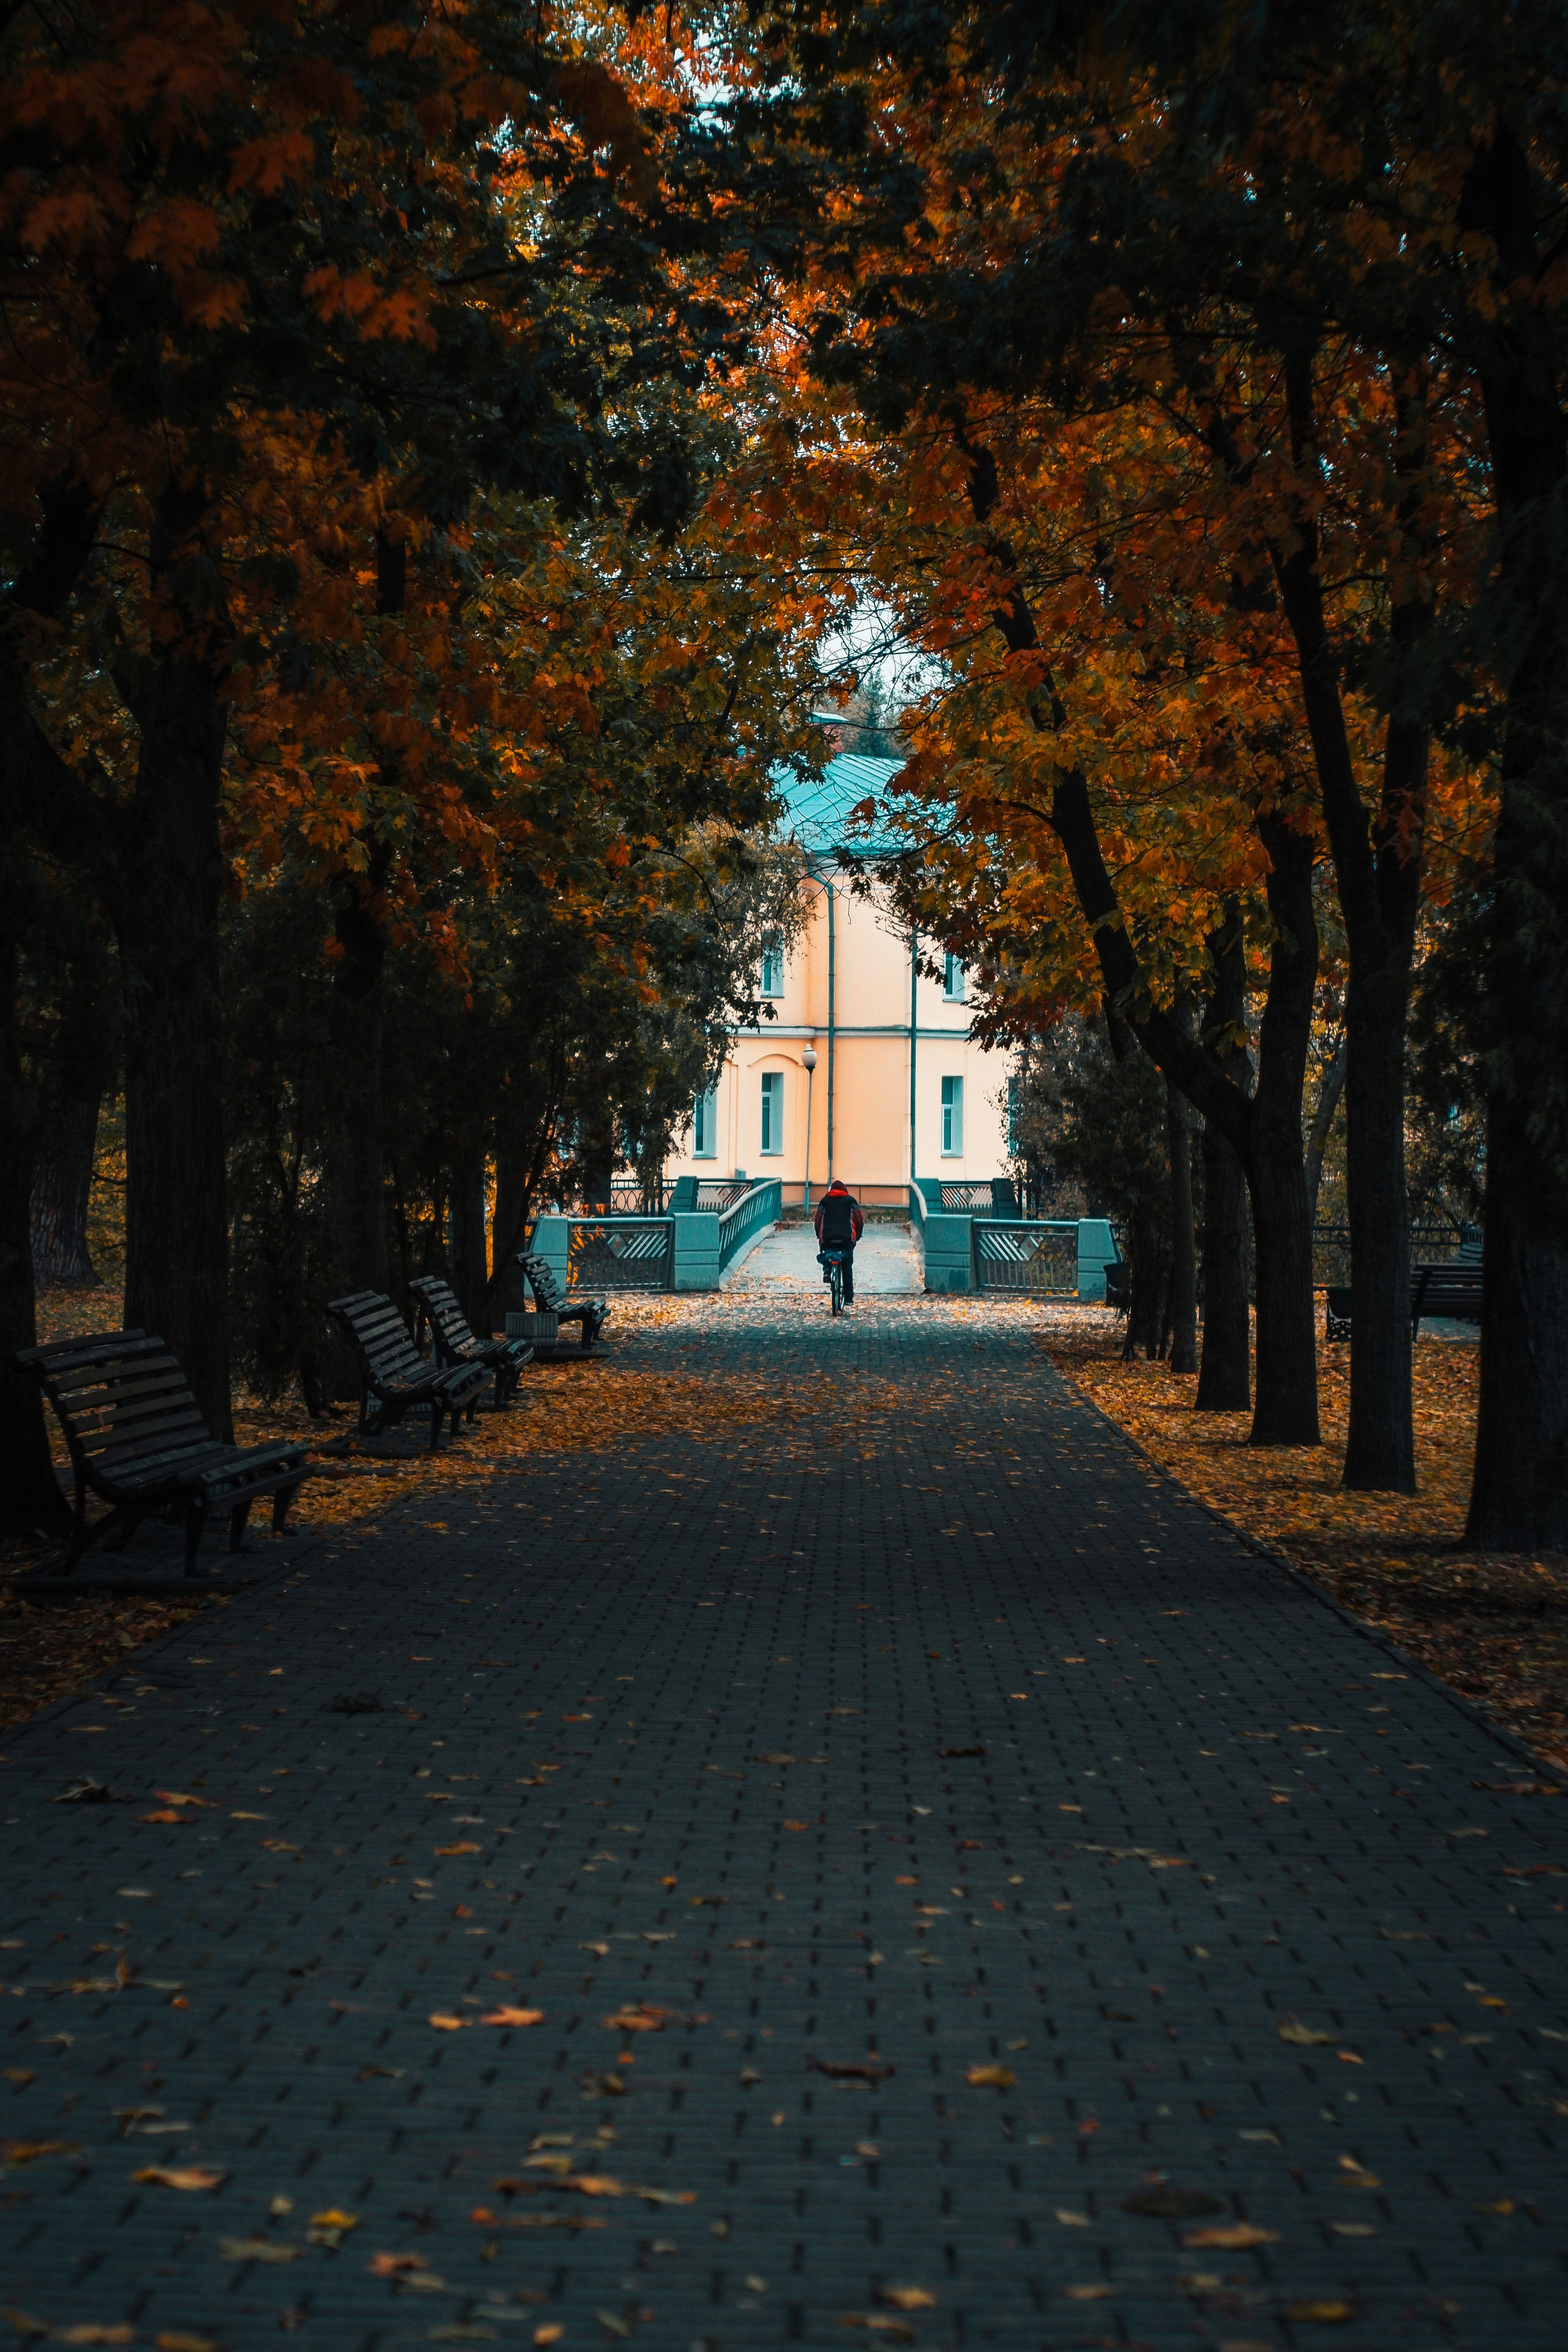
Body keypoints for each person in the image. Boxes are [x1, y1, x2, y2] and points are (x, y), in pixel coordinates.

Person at [813, 1177, 865, 1303]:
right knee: (847, 1267)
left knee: (826, 1252)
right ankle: (848, 1298)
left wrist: (818, 1236)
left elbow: (818, 1220)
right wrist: (857, 1237)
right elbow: (859, 1220)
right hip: (846, 1240)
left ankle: (827, 1270)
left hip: (828, 1239)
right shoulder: (850, 1201)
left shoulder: (824, 1201)